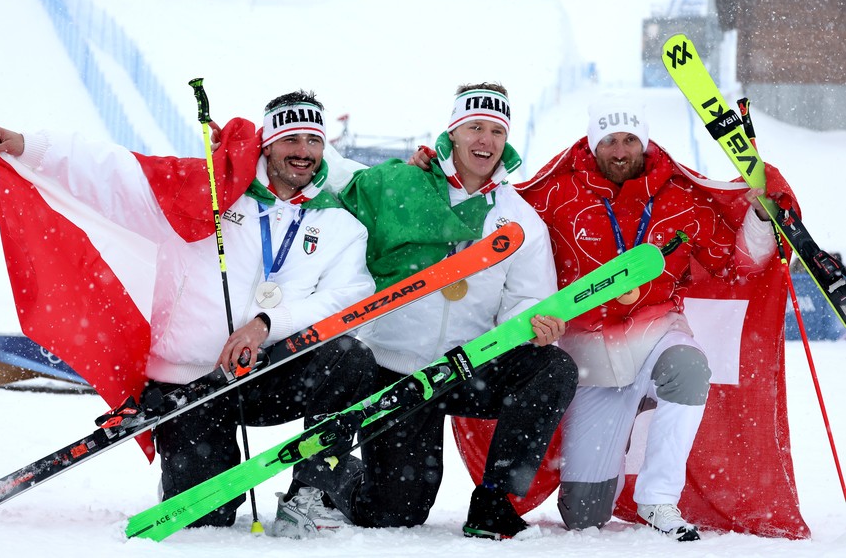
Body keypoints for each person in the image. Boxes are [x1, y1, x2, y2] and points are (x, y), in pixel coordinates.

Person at [0, 90, 379, 531]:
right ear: (267, 142)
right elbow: (117, 174)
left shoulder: (339, 222)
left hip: (269, 372)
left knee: (350, 358)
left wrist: (268, 324)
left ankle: (314, 490)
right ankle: (190, 478)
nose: (302, 152)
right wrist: (31, 147)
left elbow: (350, 295)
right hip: (192, 381)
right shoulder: (207, 191)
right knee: (205, 521)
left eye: (312, 140)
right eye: (290, 139)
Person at [289, 82, 578, 540]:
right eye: (474, 128)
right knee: (394, 514)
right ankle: (329, 478)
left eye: (496, 131)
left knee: (553, 368)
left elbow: (527, 300)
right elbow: (334, 178)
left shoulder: (518, 218)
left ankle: (494, 501)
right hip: (394, 371)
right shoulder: (400, 185)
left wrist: (535, 327)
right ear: (454, 132)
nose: (485, 141)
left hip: (466, 370)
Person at [516, 95, 792, 541]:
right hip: (589, 362)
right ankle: (609, 455)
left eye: (629, 139)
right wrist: (436, 169)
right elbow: (499, 222)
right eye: (609, 141)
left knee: (689, 367)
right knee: (583, 516)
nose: (620, 150)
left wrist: (761, 215)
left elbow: (735, 263)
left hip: (655, 337)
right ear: (592, 144)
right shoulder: (556, 193)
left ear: (644, 142)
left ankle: (659, 498)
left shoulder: (678, 196)